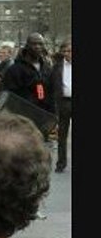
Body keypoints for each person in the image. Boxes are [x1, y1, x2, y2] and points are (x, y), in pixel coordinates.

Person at [51, 39, 72, 172]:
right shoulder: (57, 66)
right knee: (62, 136)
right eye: (64, 51)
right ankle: (61, 163)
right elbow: (52, 85)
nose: (67, 53)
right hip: (63, 102)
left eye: (69, 51)